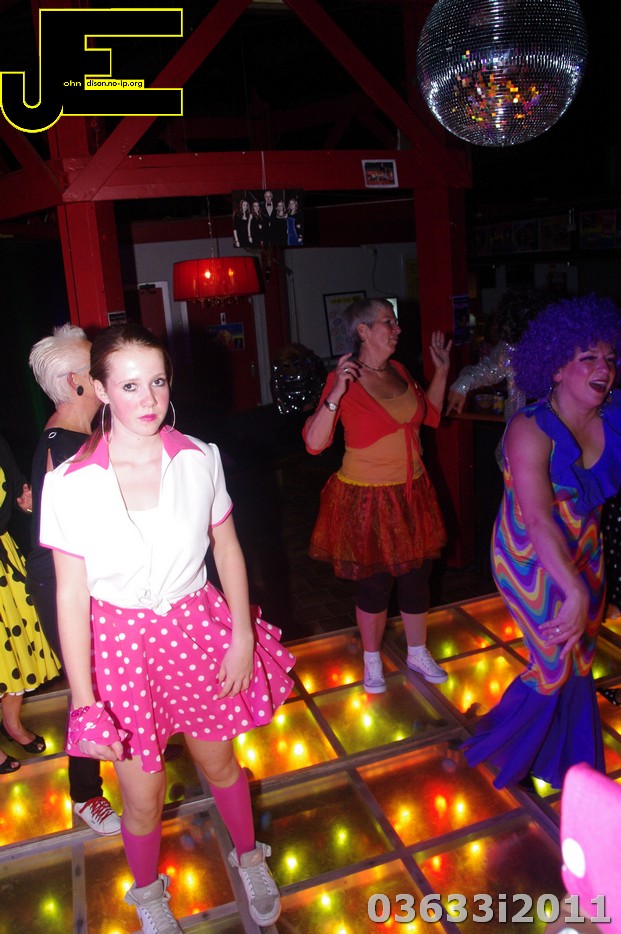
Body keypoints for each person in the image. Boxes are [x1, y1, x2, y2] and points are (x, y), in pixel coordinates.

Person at [39, 323, 295, 932]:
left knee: (222, 765)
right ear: (100, 389)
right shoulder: (69, 482)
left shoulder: (199, 458)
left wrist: (241, 636)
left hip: (195, 631)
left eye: (157, 381)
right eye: (130, 385)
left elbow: (227, 548)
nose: (149, 398)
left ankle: (249, 856)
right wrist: (85, 702)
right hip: (120, 649)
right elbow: (71, 595)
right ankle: (149, 893)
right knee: (142, 798)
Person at [462, 295, 621, 791]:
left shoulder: (614, 417)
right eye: (587, 358)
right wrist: (572, 591)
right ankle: (499, 753)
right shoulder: (529, 428)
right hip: (528, 559)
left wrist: (582, 585)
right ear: (554, 367)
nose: (604, 369)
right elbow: (536, 518)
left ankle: (563, 764)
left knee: (581, 659)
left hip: (586, 554)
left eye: (609, 358)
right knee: (552, 665)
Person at [303, 298, 451, 693]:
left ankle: (417, 652)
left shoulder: (400, 370)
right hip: (367, 496)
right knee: (375, 583)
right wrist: (336, 391)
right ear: (364, 331)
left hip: (412, 491)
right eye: (389, 321)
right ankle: (372, 661)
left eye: (395, 321)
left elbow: (430, 416)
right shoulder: (345, 379)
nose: (397, 328)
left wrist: (441, 371)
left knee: (417, 578)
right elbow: (314, 443)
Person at [26, 323, 122, 833]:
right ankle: (86, 794)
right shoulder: (64, 442)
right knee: (90, 681)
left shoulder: (71, 434)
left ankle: (124, 741)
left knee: (107, 674)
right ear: (75, 381)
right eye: (94, 365)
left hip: (78, 576)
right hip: (65, 584)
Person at [0, 433, 60, 773]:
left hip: (4, 559)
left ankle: (11, 723)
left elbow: (17, 488)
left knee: (16, 650)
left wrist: (27, 499)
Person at [445, 288, 552, 468]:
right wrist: (462, 385)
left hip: (556, 445)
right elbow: (488, 369)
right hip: (518, 444)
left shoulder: (563, 352)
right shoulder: (511, 348)